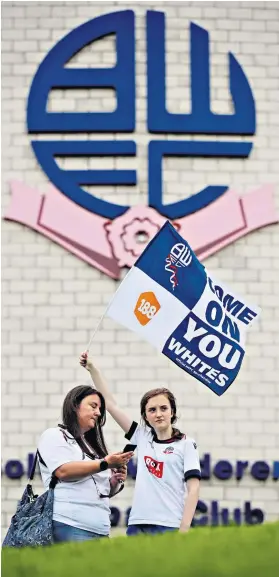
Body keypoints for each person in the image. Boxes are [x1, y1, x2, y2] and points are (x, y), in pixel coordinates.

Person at [80, 353, 201, 536]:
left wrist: (184, 529)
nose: (158, 414)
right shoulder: (141, 436)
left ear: (172, 412)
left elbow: (194, 488)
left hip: (170, 524)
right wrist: (92, 369)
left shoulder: (186, 444)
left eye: (163, 408)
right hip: (138, 524)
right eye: (152, 410)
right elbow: (111, 405)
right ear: (145, 416)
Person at [38, 385, 133, 543]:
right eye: (93, 406)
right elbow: (63, 471)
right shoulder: (55, 436)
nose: (98, 413)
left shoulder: (91, 447)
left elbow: (104, 490)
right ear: (75, 405)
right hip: (70, 525)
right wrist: (104, 464)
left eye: (100, 409)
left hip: (101, 530)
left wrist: (115, 480)